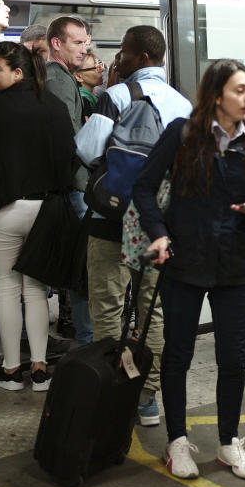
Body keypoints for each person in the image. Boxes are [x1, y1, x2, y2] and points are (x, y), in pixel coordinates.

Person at [133, 59, 245, 480]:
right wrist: (158, 233)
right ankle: (176, 441)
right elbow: (143, 186)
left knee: (233, 359)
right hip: (185, 260)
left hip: (235, 263)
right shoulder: (182, 135)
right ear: (216, 95)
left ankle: (229, 443)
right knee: (177, 354)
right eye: (240, 90)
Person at [75, 25, 192, 425]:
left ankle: (109, 390)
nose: (118, 59)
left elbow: (88, 150)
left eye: (124, 53)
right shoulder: (183, 104)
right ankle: (147, 398)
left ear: (141, 57)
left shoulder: (117, 95)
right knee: (152, 310)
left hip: (111, 217)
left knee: (107, 307)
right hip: (157, 222)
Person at [0, 41, 77, 391]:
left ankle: (12, 371)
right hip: (46, 210)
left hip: (4, 210)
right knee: (37, 290)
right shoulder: (56, 107)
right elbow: (70, 160)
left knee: (8, 290)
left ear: (17, 72)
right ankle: (41, 370)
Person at [46, 16, 93, 344]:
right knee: (82, 268)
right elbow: (69, 136)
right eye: (77, 43)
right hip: (75, 184)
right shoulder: (59, 79)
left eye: (85, 43)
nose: (84, 49)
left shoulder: (60, 77)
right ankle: (86, 338)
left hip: (69, 183)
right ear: (56, 44)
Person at [73, 50, 104, 121]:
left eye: (99, 64)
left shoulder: (89, 96)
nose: (102, 69)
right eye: (95, 68)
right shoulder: (83, 101)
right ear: (78, 76)